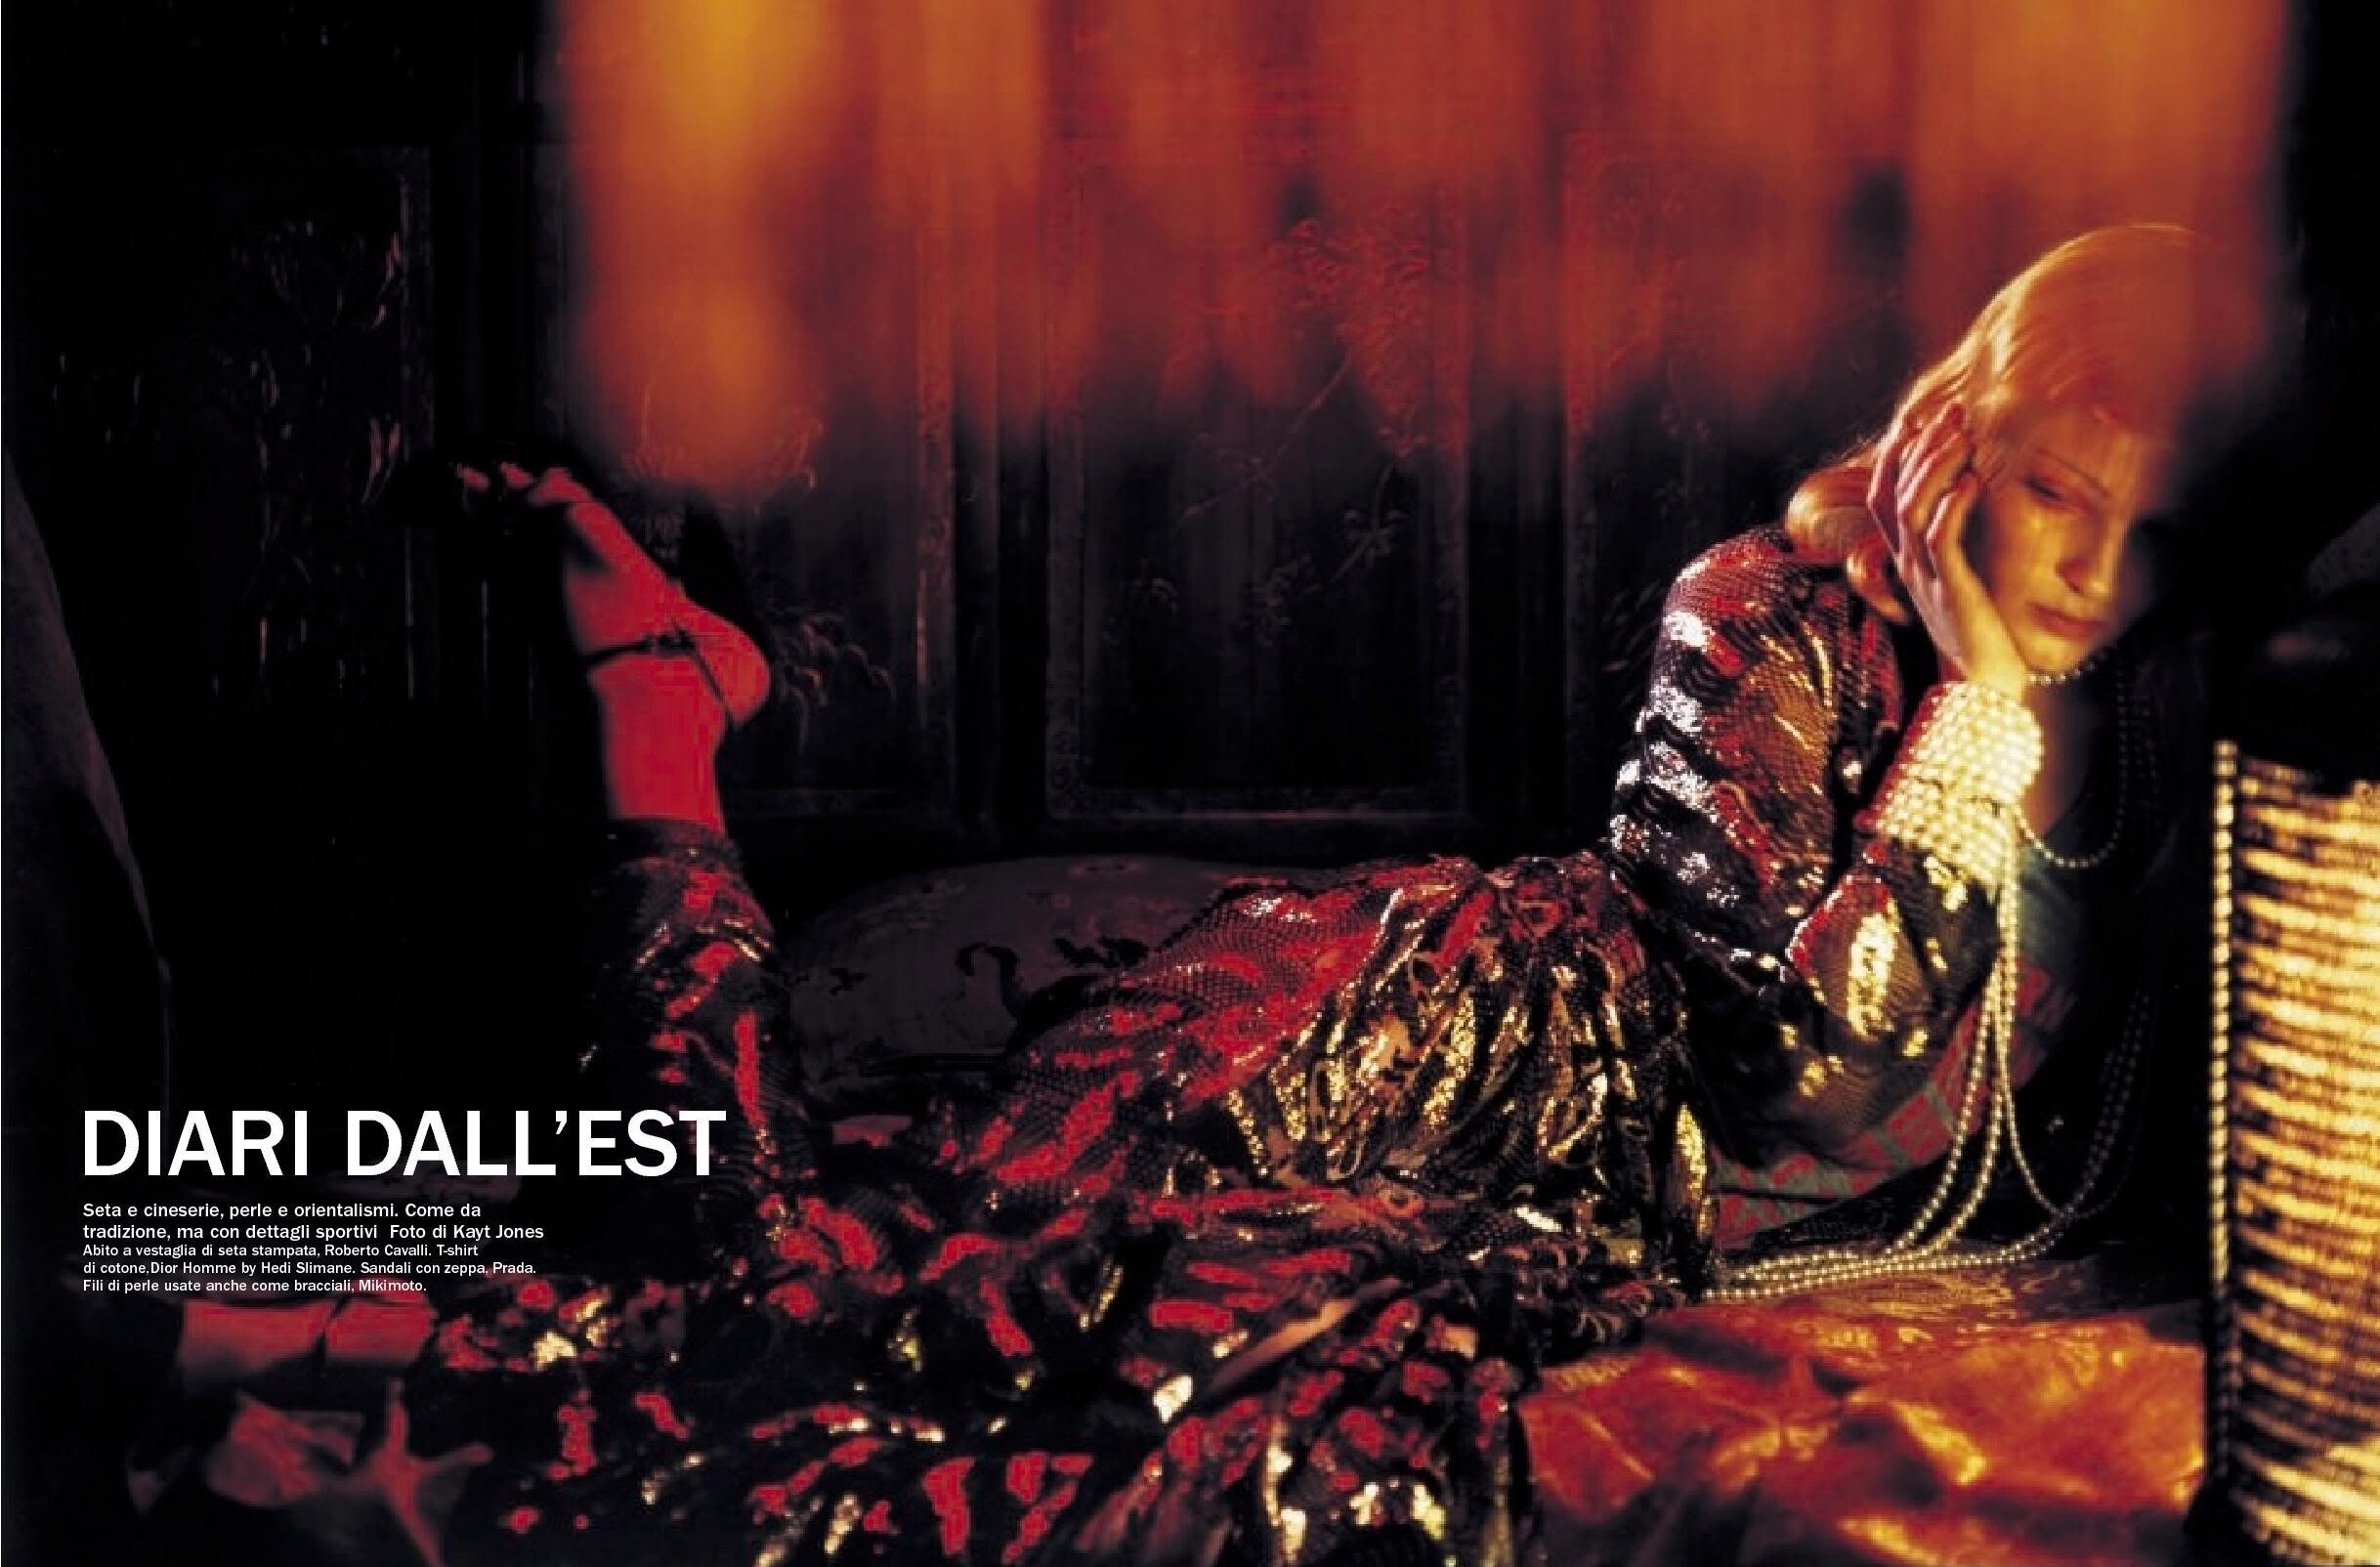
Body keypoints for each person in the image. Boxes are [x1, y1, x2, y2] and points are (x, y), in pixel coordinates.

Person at [140, 224, 2274, 1565]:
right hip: (1403, 1026)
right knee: (854, 1272)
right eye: (2056, 494)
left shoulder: (2182, 736)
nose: (2091, 574)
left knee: (944, 1321)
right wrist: (1976, 718)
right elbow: (1800, 1062)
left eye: (2152, 535)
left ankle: (652, 741)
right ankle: (649, 744)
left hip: (1503, 1197)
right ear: (1955, 435)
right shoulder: (1772, 609)